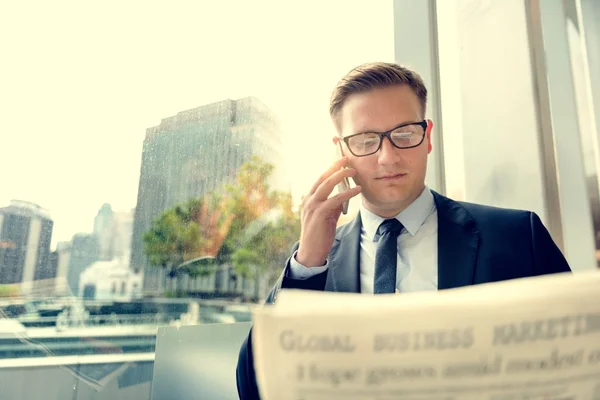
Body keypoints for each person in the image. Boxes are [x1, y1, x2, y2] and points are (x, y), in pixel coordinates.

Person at [236, 62, 571, 399]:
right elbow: (253, 388)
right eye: (366, 140)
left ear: (427, 136)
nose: (388, 157)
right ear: (341, 151)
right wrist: (305, 266)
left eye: (405, 134)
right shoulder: (313, 261)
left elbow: (576, 363)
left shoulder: (517, 236)